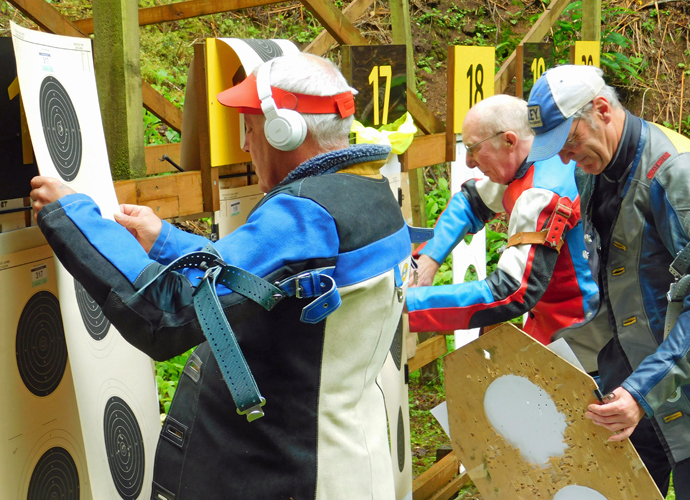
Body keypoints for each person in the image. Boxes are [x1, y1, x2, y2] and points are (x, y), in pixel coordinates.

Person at [30, 53, 414, 500]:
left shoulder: (305, 216)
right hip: (343, 461)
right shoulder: (368, 193)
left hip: (291, 474)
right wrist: (167, 241)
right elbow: (253, 278)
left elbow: (164, 310)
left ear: (282, 129)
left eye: (249, 129)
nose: (248, 146)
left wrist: (72, 214)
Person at [526, 64, 690, 498]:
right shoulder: (592, 169)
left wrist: (643, 392)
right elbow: (618, 285)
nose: (565, 159)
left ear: (602, 109)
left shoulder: (676, 175)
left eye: (568, 142)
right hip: (635, 380)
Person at [407, 94, 604, 372]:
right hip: (556, 329)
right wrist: (429, 258)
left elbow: (511, 292)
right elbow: (471, 201)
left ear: (509, 141)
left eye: (474, 149)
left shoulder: (540, 193)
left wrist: (411, 306)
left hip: (580, 341)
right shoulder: (537, 161)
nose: (470, 162)